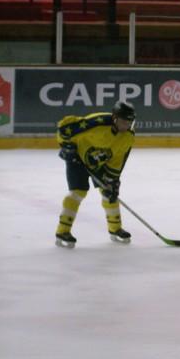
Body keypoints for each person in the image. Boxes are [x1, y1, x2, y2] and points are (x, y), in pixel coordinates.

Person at [55, 100, 137, 248]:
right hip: (77, 159)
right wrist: (67, 146)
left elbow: (118, 160)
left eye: (129, 122)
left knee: (109, 194)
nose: (127, 126)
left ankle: (115, 229)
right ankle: (63, 231)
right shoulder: (97, 123)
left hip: (100, 164)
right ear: (115, 118)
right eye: (124, 121)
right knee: (78, 193)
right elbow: (64, 127)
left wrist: (113, 180)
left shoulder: (128, 137)